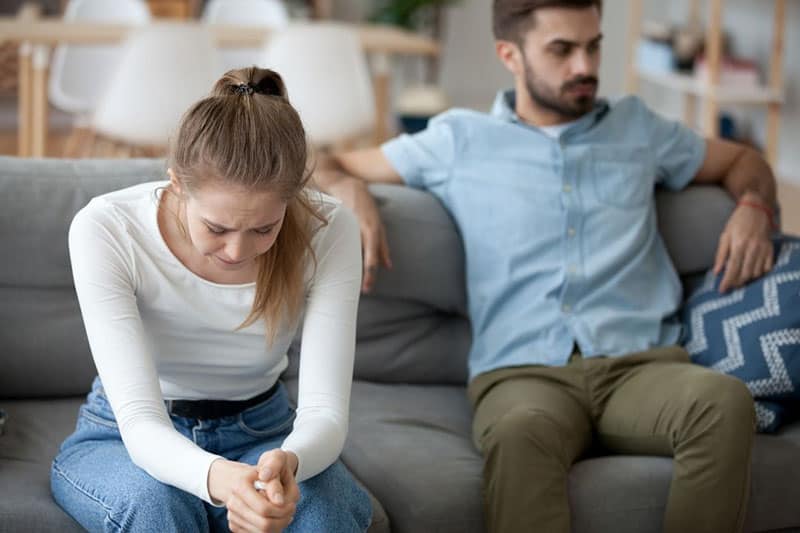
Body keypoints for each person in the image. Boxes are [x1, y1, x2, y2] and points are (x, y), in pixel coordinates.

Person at [314, 1, 781, 532]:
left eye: (594, 45)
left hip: (642, 367)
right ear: (509, 55)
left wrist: (754, 208)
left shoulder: (640, 129)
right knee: (518, 435)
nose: (585, 65)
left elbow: (745, 162)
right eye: (562, 49)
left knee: (723, 401)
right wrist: (351, 188)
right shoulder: (458, 140)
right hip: (522, 375)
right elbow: (325, 161)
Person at [51, 67, 372, 533]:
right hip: (122, 435)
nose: (238, 252)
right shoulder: (106, 228)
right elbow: (141, 422)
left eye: (264, 228)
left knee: (324, 512)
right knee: (156, 508)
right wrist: (219, 479)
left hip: (266, 432)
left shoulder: (330, 230)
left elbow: (324, 412)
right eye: (217, 228)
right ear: (177, 184)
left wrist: (288, 463)